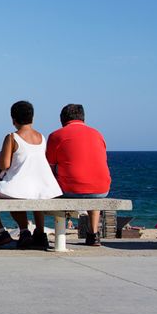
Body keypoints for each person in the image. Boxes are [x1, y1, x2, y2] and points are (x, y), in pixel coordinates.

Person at [0, 101, 63, 249]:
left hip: (18, 186)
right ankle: (39, 233)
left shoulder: (12, 137)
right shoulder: (41, 137)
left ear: (13, 119)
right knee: (34, 197)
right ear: (32, 118)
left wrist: (1, 159)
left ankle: (4, 232)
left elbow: (4, 165)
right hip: (42, 187)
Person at [46, 103, 111, 246]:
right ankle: (93, 234)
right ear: (83, 118)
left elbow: (49, 167)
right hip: (101, 190)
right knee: (92, 183)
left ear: (62, 119)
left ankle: (45, 232)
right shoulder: (97, 134)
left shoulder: (56, 135)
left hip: (70, 190)